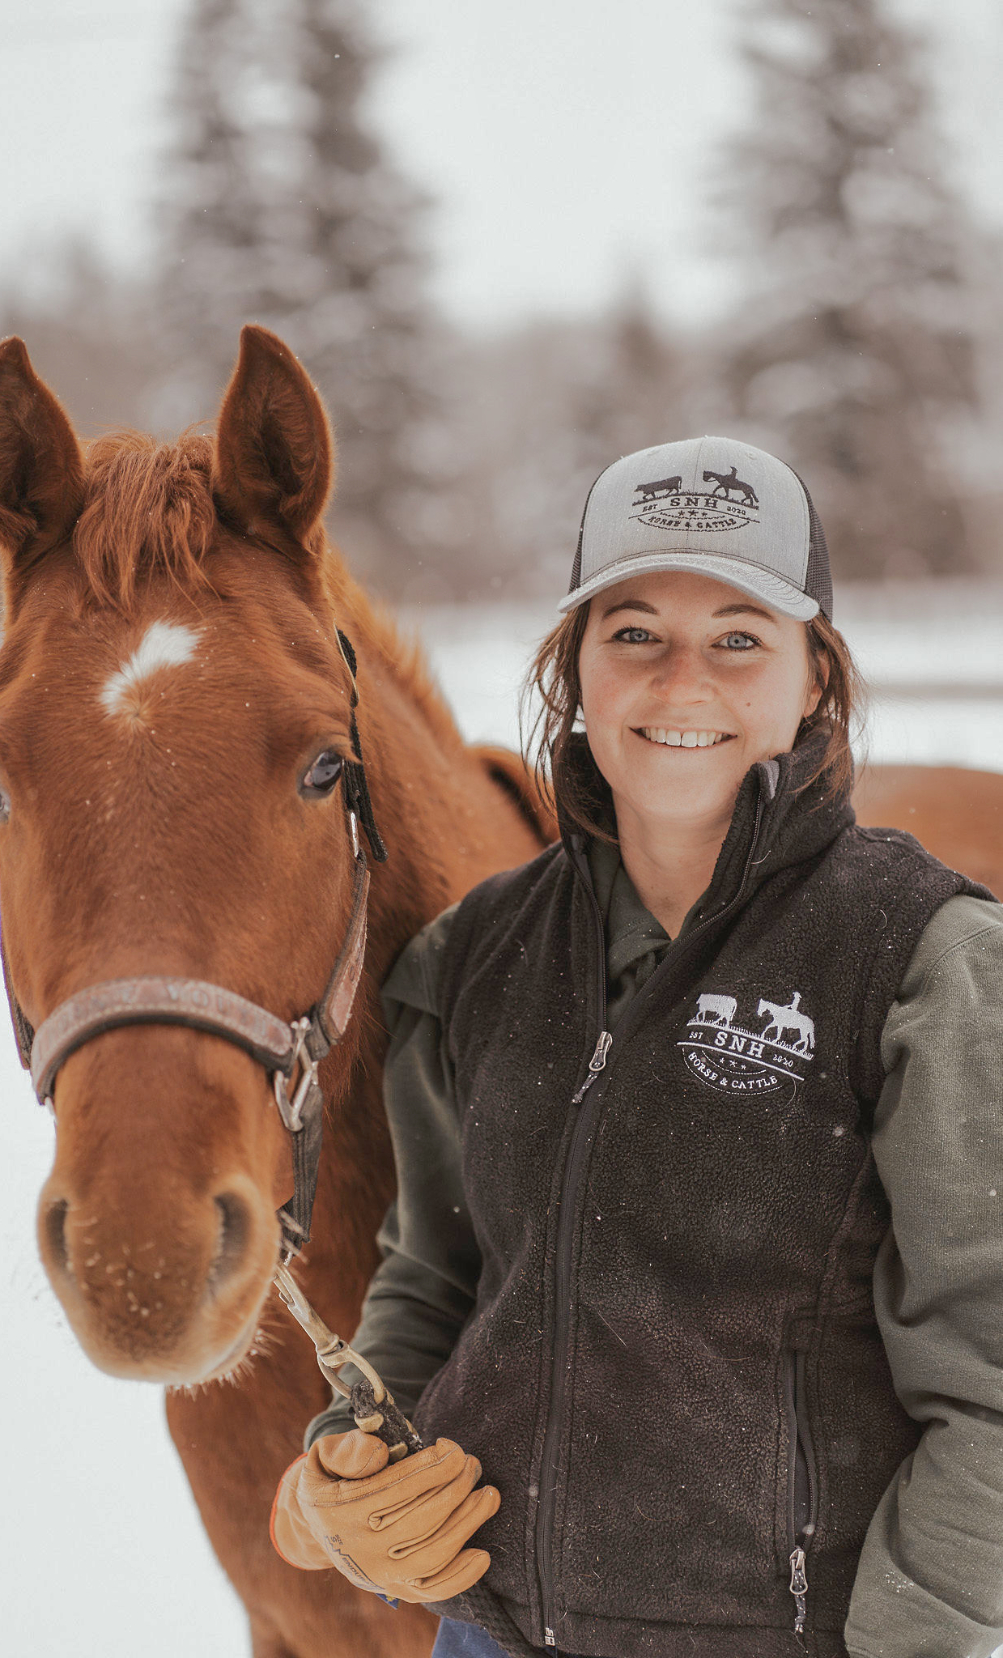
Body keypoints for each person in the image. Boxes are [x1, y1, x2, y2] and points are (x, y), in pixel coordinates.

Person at [271, 437, 1003, 1658]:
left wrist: (914, 1640)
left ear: (814, 673)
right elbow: (438, 1277)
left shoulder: (919, 957)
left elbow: (986, 1370)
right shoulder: (472, 959)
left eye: (738, 635)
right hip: (491, 1637)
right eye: (633, 633)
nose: (681, 682)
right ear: (573, 665)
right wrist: (344, 1462)